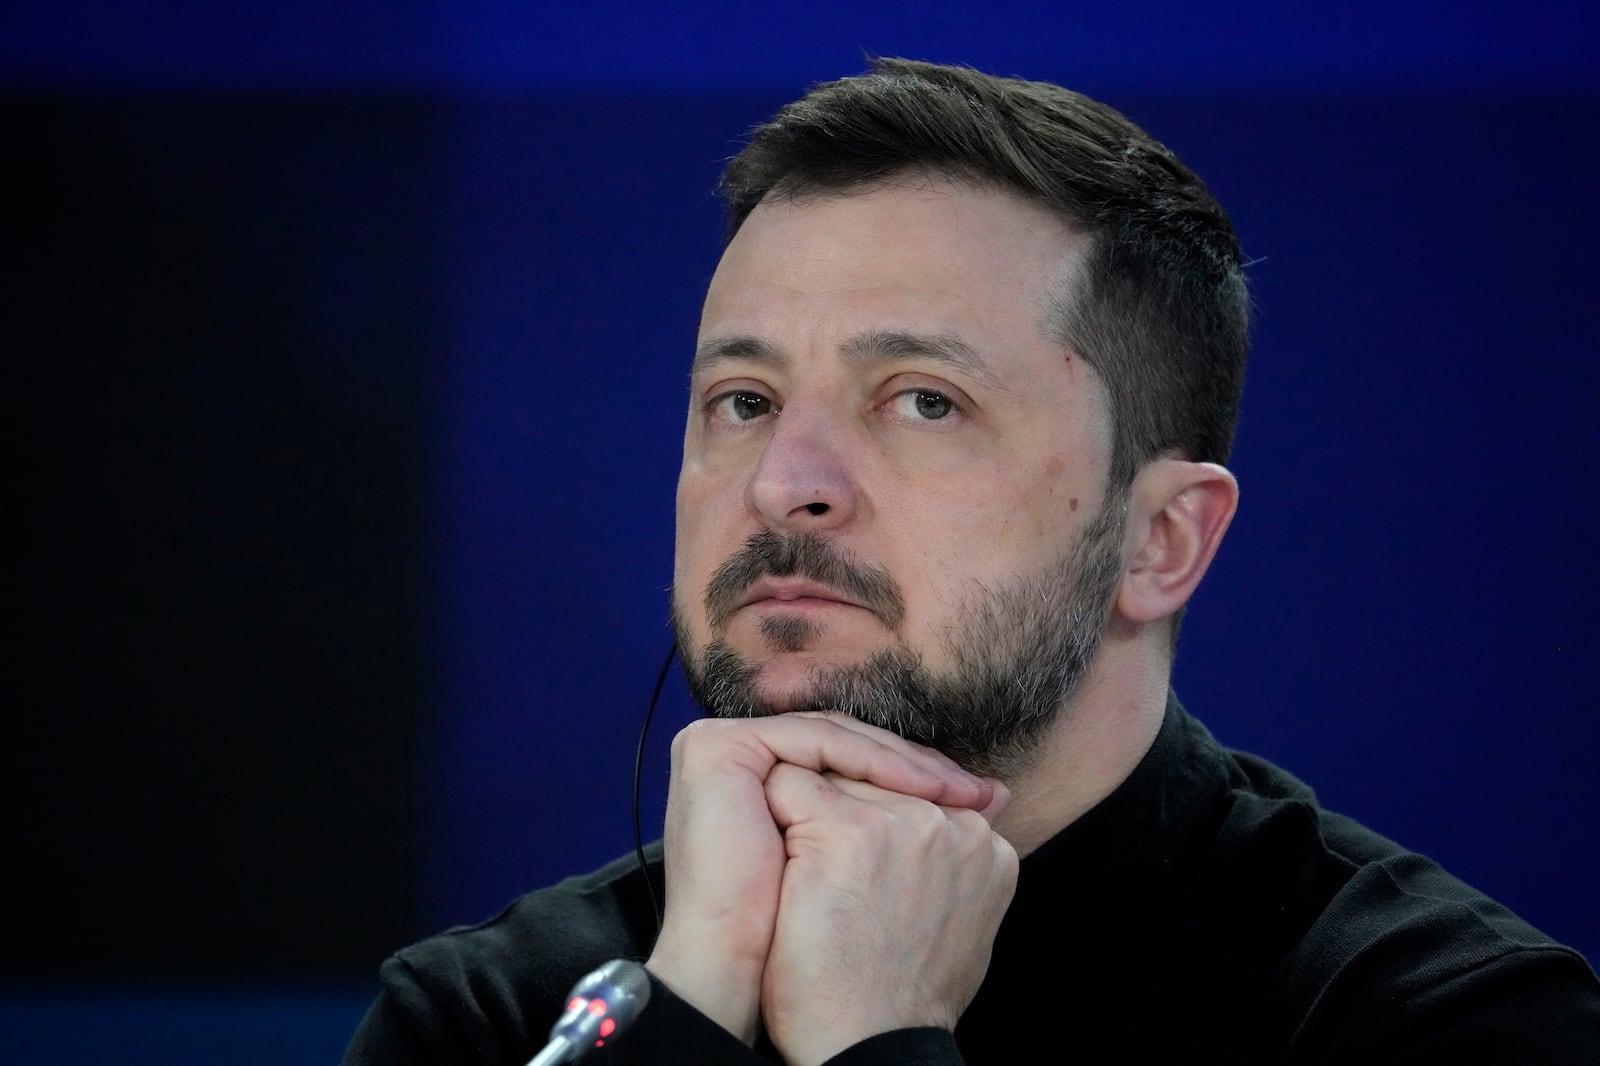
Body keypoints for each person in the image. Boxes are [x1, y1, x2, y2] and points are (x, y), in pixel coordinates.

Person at [341, 58, 1600, 1064]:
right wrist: (693, 1000)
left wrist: (875, 1043)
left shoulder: (1443, 1021)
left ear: (1161, 540)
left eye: (922, 400)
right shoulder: (496, 1016)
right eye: (741, 399)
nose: (785, 483)